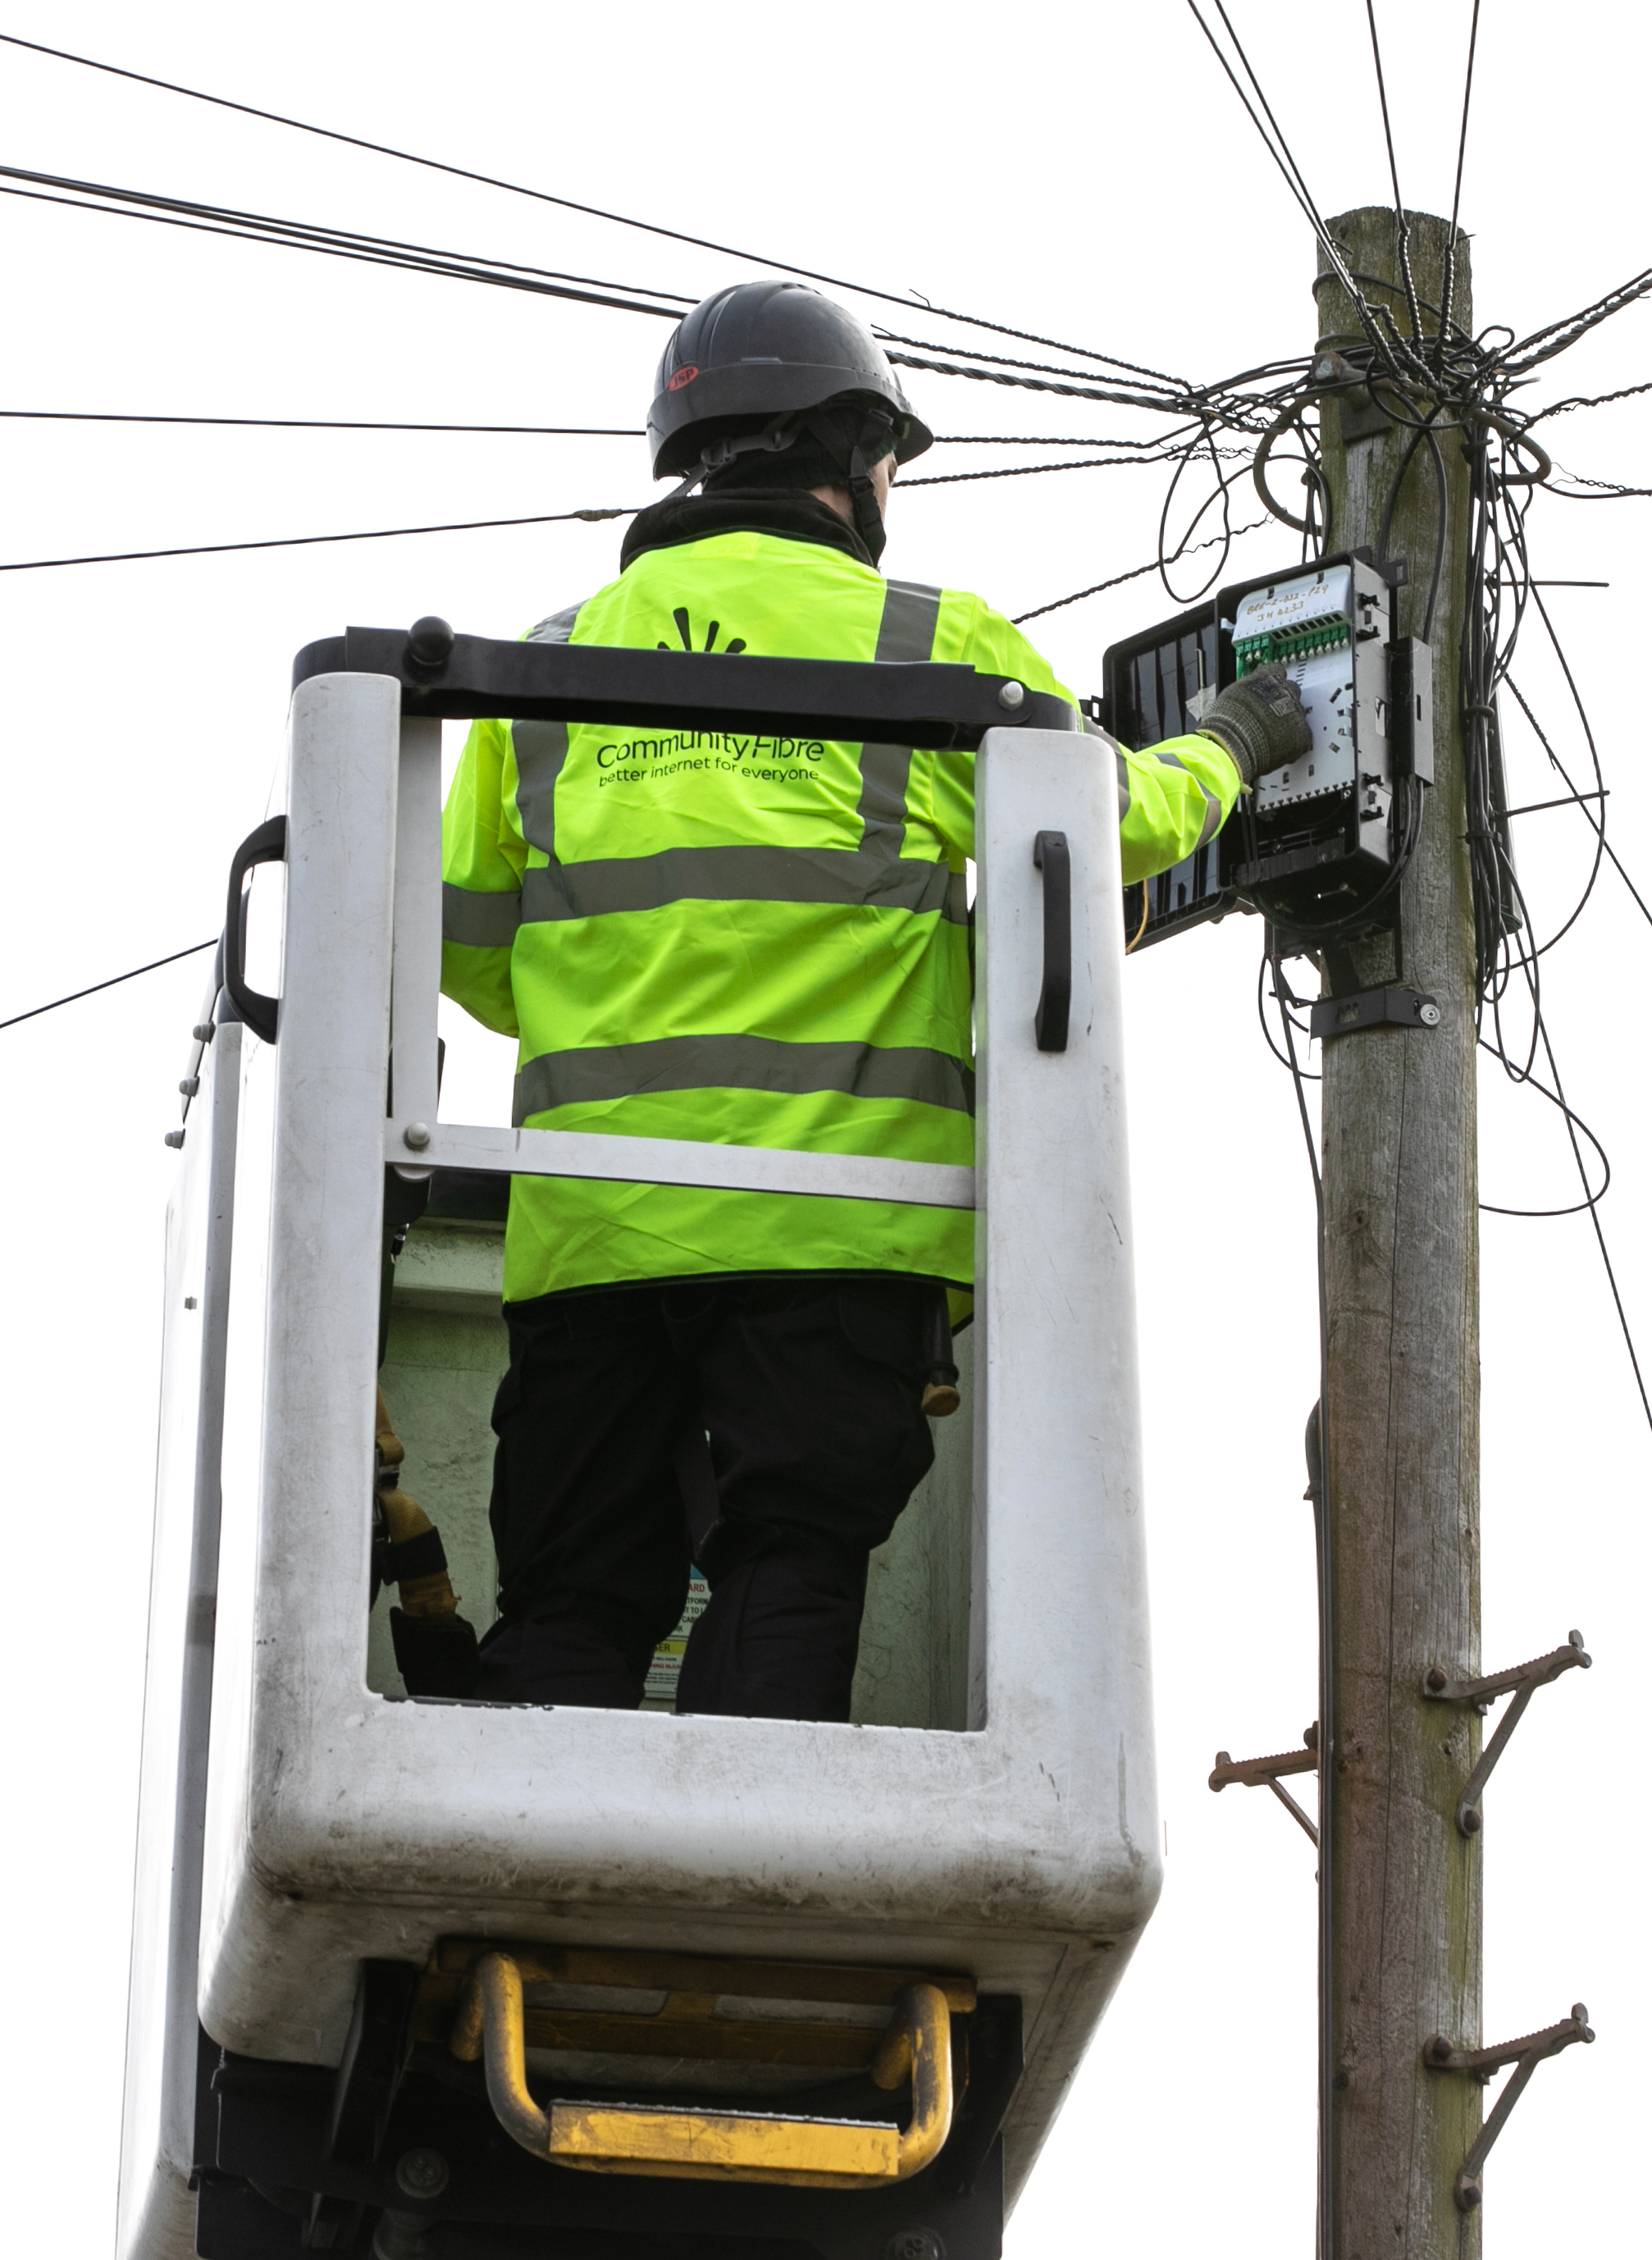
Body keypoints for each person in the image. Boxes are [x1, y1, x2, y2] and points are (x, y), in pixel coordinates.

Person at [429, 279, 1308, 1720]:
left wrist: (639, 1002)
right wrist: (1238, 737)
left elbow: (475, 959)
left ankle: (525, 1915)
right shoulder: (925, 638)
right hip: (835, 1226)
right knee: (790, 1561)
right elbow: (1116, 824)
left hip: (590, 1233)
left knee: (574, 1594)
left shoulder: (551, 658)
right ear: (849, 457)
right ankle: (737, 1897)